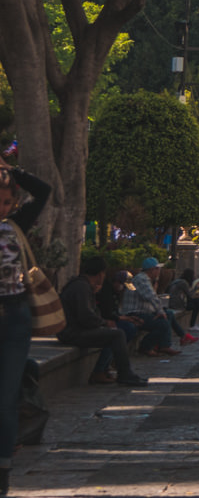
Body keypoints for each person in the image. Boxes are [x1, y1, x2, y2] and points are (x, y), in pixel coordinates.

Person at [0, 156, 52, 495]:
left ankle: (2, 471)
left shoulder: (17, 222)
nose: (2, 207)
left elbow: (43, 190)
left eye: (6, 201)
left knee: (5, 398)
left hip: (14, 317)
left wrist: (9, 169)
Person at [57, 256, 147, 387]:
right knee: (117, 334)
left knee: (114, 333)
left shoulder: (82, 285)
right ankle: (124, 373)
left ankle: (107, 369)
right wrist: (103, 323)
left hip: (74, 329)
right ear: (100, 274)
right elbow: (86, 316)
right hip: (72, 332)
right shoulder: (81, 287)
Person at [121, 258, 184, 355]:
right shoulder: (141, 279)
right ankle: (146, 347)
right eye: (157, 269)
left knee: (169, 314)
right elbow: (151, 297)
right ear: (151, 269)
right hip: (135, 313)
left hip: (144, 311)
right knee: (163, 323)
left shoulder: (146, 279)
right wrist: (160, 312)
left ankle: (165, 346)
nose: (159, 272)